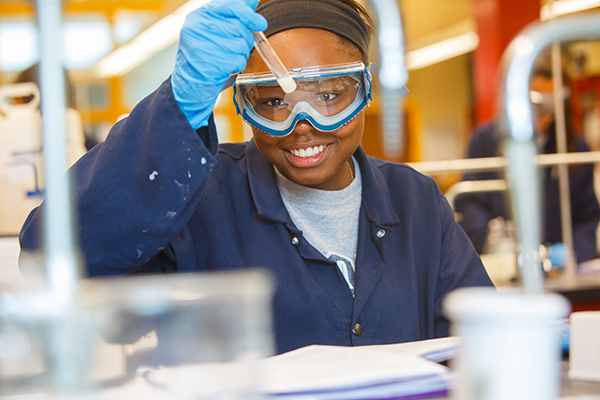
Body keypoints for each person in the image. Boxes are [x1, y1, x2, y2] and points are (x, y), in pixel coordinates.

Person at [19, 0, 493, 355]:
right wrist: (178, 110)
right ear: (241, 104)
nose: (302, 124)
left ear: (364, 90)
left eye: (330, 96)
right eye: (272, 103)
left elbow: (479, 341)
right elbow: (51, 258)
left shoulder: (415, 199)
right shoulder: (200, 199)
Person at [455, 65, 600, 265]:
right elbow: (468, 202)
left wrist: (573, 252)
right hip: (503, 266)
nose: (543, 114)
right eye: (536, 104)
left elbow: (588, 214)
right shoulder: (485, 141)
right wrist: (496, 242)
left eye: (550, 106)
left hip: (559, 269)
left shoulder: (573, 147)